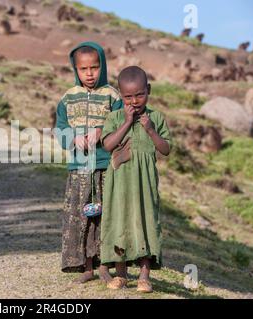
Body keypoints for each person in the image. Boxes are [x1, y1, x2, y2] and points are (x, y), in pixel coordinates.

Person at [55, 41, 123, 284]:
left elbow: (120, 123)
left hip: (106, 166)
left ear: (102, 66)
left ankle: (106, 264)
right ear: (76, 70)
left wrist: (100, 131)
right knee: (81, 215)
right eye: (84, 69)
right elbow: (60, 128)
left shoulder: (112, 95)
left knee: (106, 216)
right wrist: (73, 137)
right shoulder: (68, 98)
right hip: (80, 167)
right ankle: (86, 265)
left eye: (94, 67)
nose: (90, 73)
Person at [100, 66, 171, 293]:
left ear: (148, 90)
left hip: (145, 186)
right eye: (128, 96)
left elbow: (166, 149)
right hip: (119, 185)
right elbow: (108, 145)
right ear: (121, 95)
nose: (134, 101)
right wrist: (127, 123)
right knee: (119, 224)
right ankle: (121, 275)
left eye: (139, 94)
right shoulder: (115, 117)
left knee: (146, 223)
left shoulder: (156, 118)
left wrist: (150, 130)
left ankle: (144, 276)